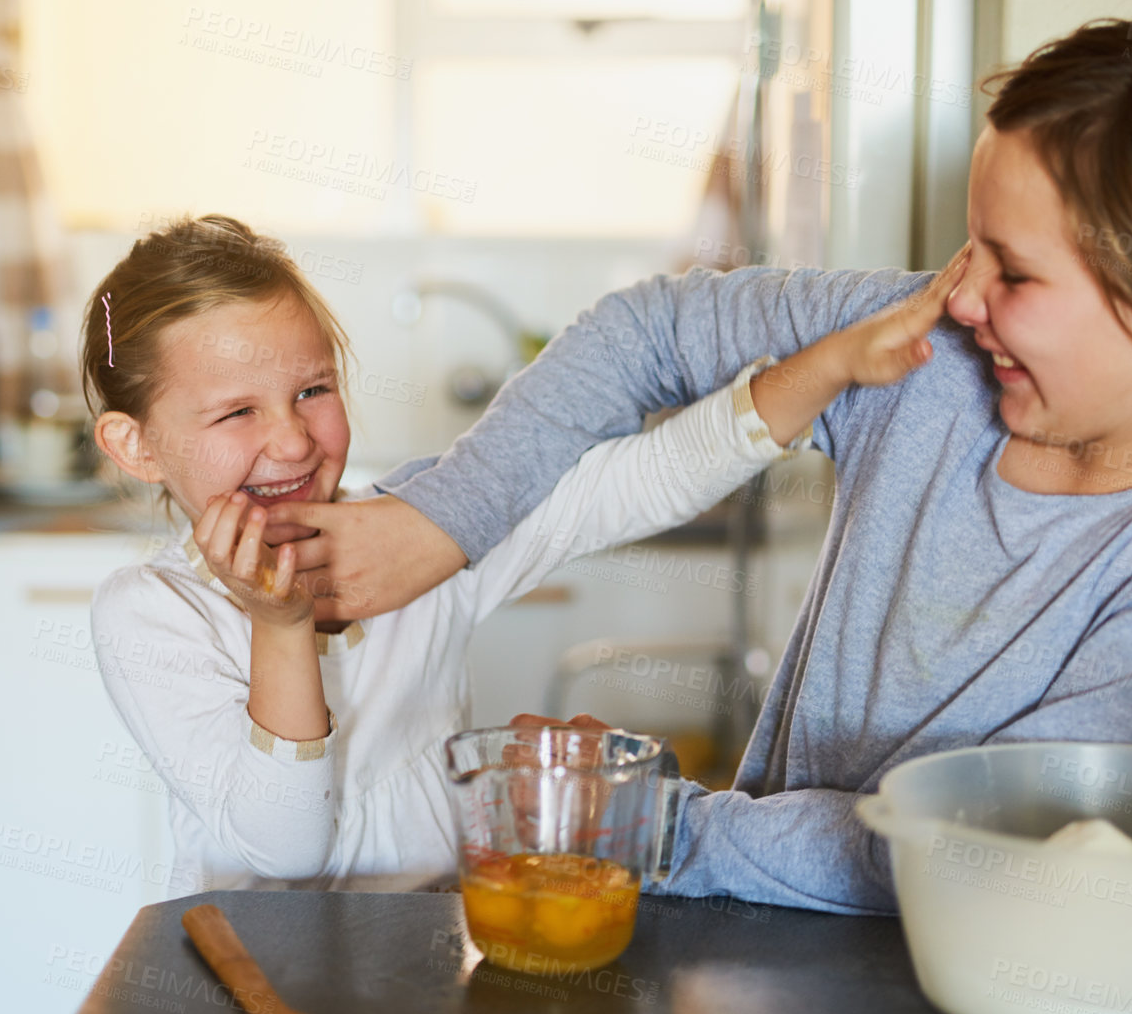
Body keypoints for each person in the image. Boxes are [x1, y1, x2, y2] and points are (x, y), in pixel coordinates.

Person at [262, 5, 1132, 913]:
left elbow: (978, 853)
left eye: (1015, 274)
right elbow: (641, 333)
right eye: (966, 246)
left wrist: (646, 819)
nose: (961, 291)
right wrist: (443, 519)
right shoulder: (931, 345)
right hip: (759, 966)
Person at [82, 215, 961, 895]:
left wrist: (834, 363)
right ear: (135, 446)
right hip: (248, 1001)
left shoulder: (413, 542)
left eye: (313, 390)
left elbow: (634, 481)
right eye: (236, 413)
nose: (292, 440)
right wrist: (282, 627)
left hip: (426, 968)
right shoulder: (152, 613)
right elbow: (284, 851)